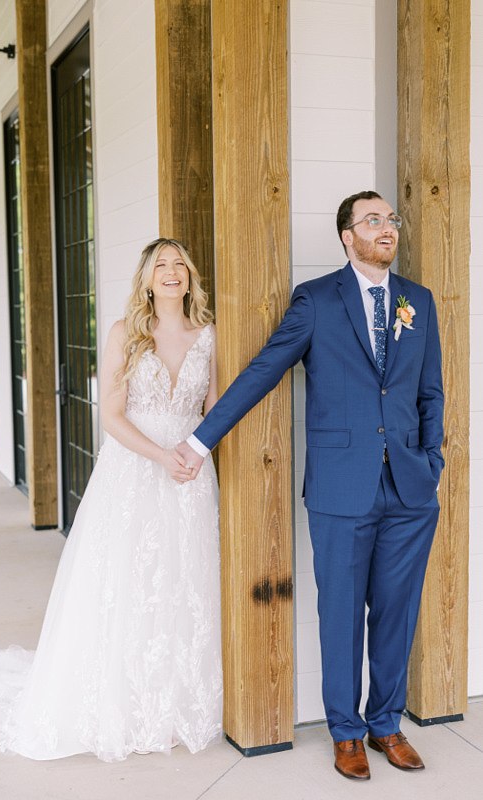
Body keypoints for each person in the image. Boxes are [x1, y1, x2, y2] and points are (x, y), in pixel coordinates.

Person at [177, 191, 444, 780]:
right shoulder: (318, 301)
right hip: (341, 491)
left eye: (391, 219)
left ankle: (386, 724)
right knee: (343, 613)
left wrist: (432, 461)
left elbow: (430, 394)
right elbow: (262, 371)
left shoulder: (417, 303)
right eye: (373, 220)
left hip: (410, 489)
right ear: (348, 235)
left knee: (397, 614)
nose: (387, 228)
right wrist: (200, 441)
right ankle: (345, 732)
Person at [0, 238, 222, 761]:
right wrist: (163, 456)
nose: (171, 273)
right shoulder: (126, 333)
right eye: (160, 266)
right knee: (126, 581)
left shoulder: (208, 335)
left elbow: (213, 407)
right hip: (134, 474)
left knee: (183, 581)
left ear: (190, 277)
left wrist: (195, 454)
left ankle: (175, 703)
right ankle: (124, 702)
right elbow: (112, 417)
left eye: (179, 265)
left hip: (190, 476)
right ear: (146, 279)